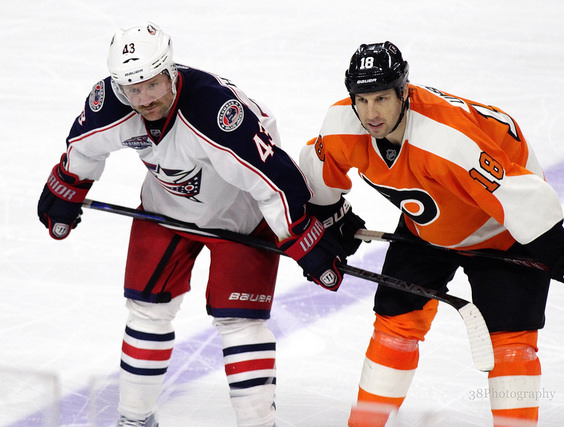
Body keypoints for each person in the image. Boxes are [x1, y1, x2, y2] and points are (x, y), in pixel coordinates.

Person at [298, 41, 564, 426]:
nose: (371, 113)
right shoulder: (342, 125)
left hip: (505, 226)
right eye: (362, 99)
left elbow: (519, 197)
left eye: (382, 98)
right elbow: (317, 178)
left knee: (510, 341)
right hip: (427, 225)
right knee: (394, 319)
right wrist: (333, 219)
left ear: (404, 92)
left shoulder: (446, 140)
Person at [37, 22, 343, 427]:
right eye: (133, 89)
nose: (143, 99)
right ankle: (134, 420)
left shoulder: (214, 113)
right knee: (145, 311)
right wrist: (68, 186)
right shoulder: (111, 102)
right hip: (166, 211)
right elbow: (83, 147)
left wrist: (301, 235)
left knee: (239, 324)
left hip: (241, 219)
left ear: (170, 71)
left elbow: (272, 180)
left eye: (152, 85)